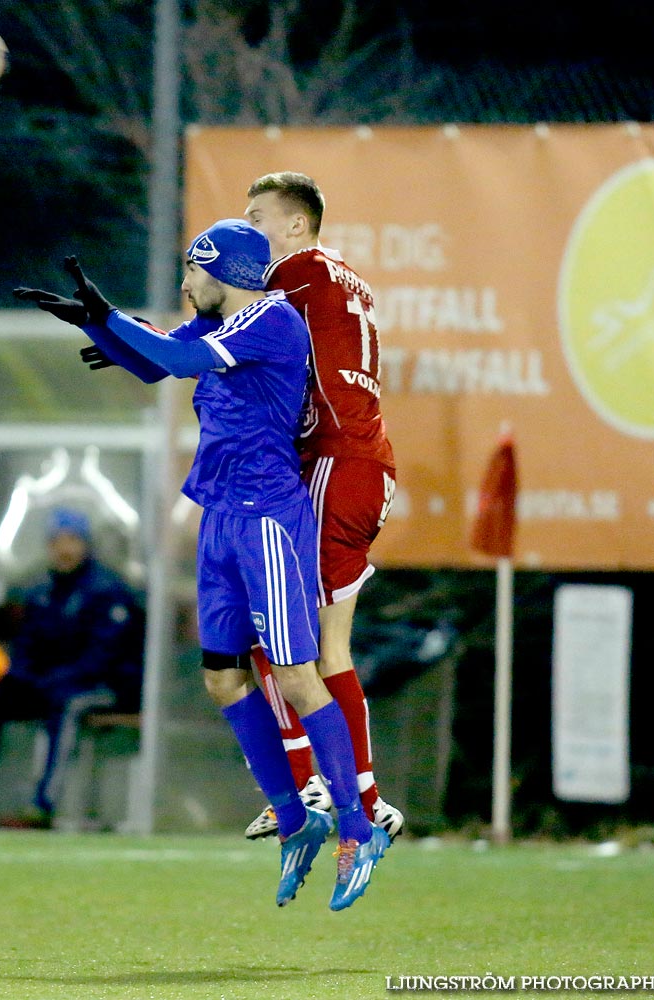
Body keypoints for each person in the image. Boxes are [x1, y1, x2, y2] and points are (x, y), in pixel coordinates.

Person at [15, 219, 389, 911]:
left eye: (192, 272)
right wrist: (99, 326)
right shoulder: (217, 321)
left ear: (227, 276)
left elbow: (177, 362)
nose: (184, 285)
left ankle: (358, 829)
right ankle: (295, 818)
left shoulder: (272, 323)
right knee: (222, 681)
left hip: (267, 521)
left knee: (299, 678)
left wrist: (108, 316)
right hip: (219, 517)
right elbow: (155, 361)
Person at [234, 172, 405, 840]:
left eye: (256, 218)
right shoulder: (338, 280)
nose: (246, 231)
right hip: (353, 464)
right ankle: (342, 789)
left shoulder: (298, 271)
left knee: (307, 642)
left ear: (296, 225)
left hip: (340, 462)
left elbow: (227, 318)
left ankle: (333, 789)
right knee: (274, 632)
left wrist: (144, 336)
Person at [0, 506, 142, 830]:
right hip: (49, 682)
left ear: (85, 544)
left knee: (67, 705)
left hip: (104, 687)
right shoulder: (41, 590)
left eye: (72, 541)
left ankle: (42, 806)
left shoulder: (107, 591)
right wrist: (22, 677)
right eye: (58, 541)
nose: (64, 549)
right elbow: (27, 646)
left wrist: (54, 679)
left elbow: (104, 658)